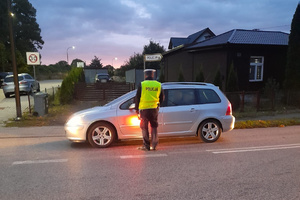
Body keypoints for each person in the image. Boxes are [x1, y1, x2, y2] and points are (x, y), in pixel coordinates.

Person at [135, 69, 164, 151]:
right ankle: (154, 145)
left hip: (144, 109)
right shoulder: (158, 85)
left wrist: (136, 109)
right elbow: (162, 97)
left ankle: (146, 146)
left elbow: (137, 98)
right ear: (152, 75)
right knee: (154, 126)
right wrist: (158, 105)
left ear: (145, 75)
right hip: (154, 109)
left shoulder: (142, 84)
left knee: (144, 127)